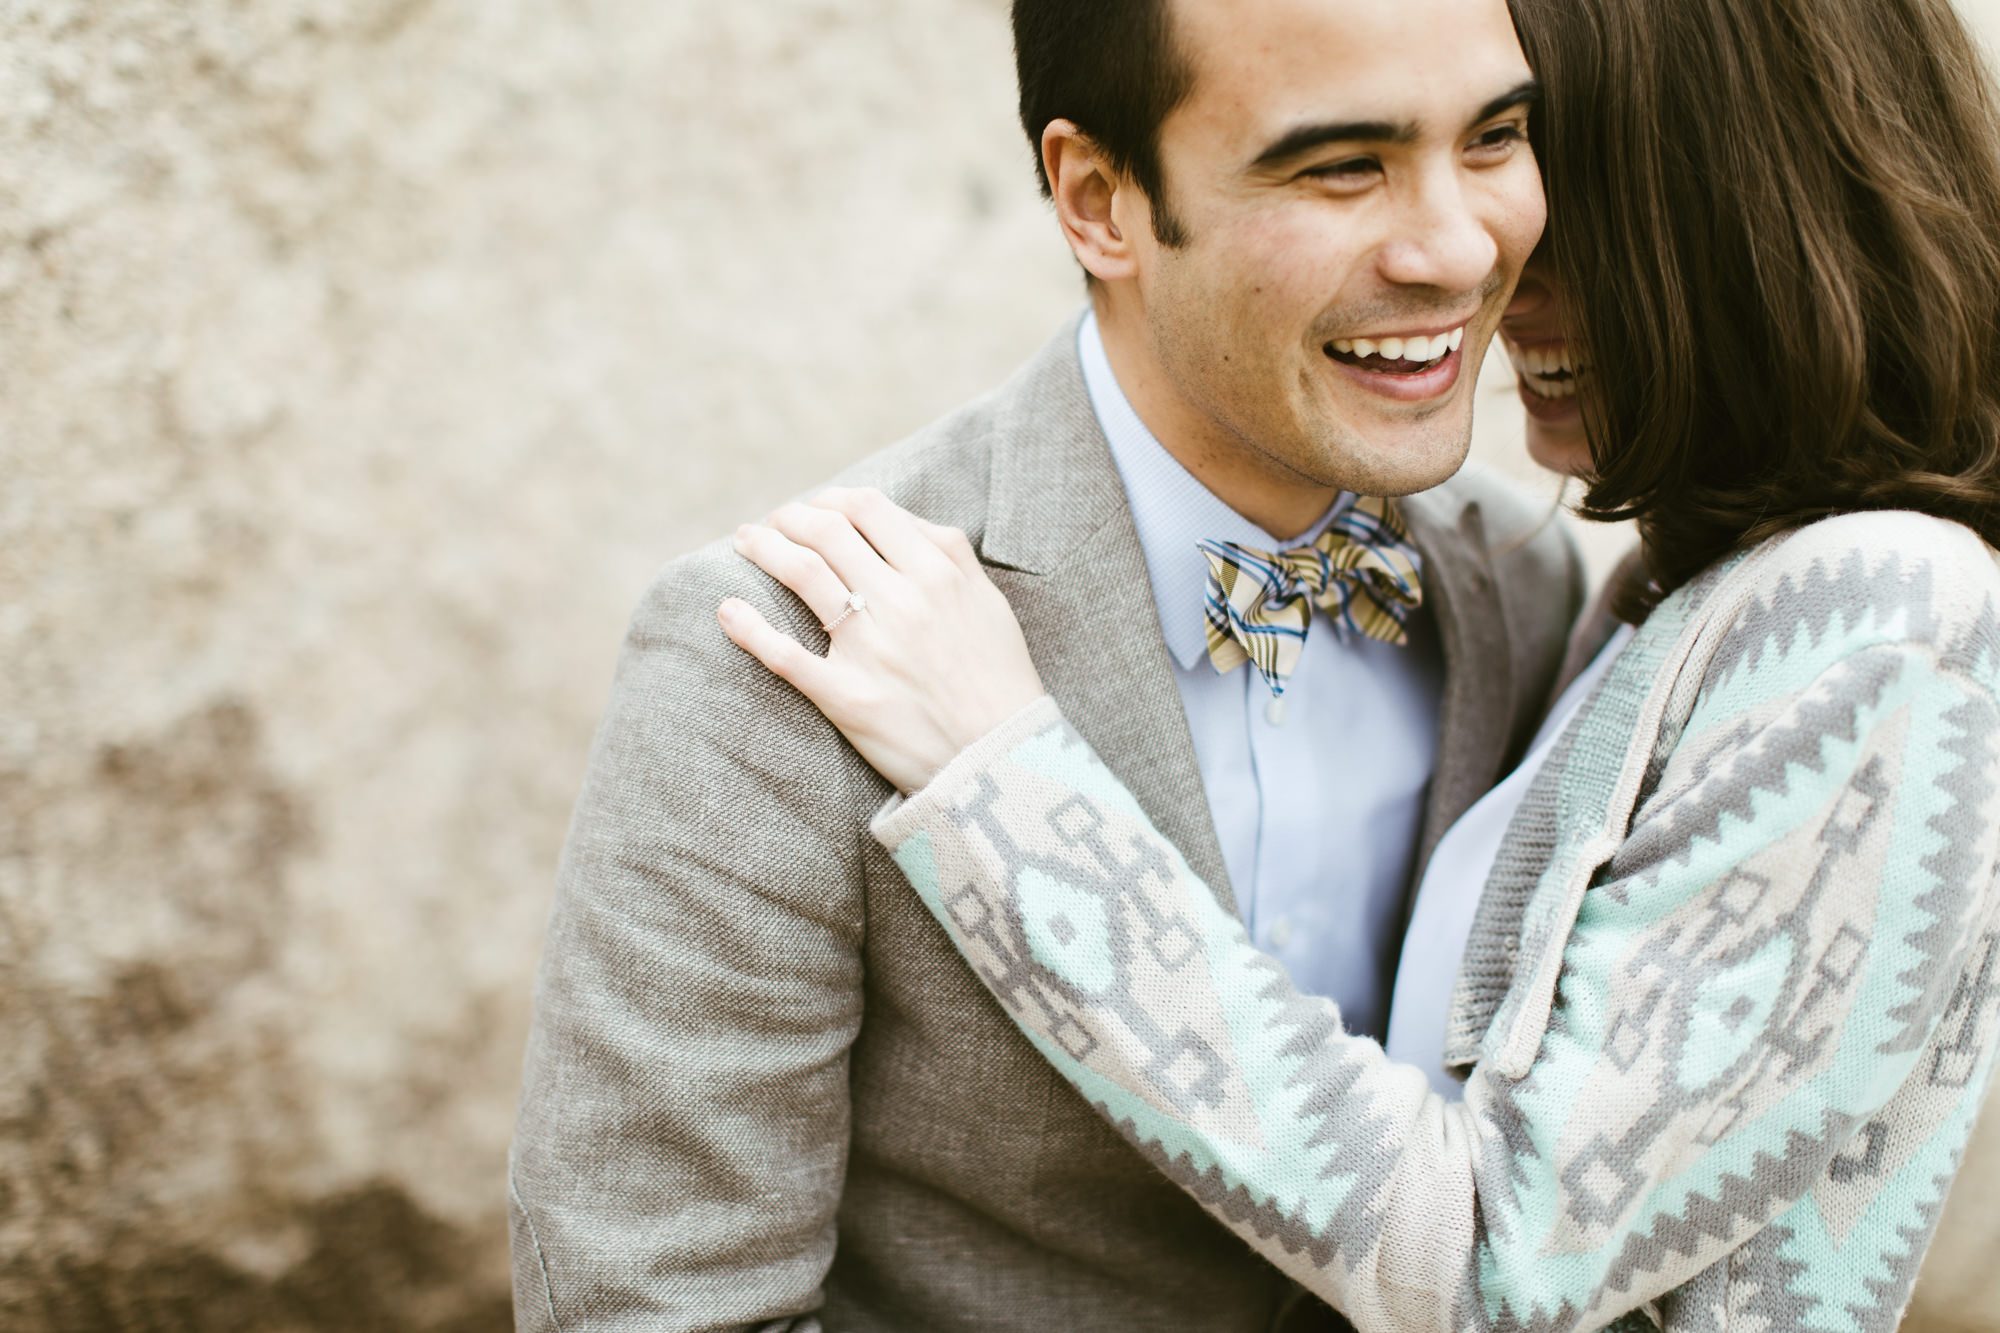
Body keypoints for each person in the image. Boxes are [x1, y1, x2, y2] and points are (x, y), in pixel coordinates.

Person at [718, 0, 2000, 1328]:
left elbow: (1507, 1260)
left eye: (1541, 171)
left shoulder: (1888, 617)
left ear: (1748, 221)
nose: (1489, 272)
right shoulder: (1651, 595)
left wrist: (1008, 785)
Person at [508, 0, 1581, 1327]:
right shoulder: (773, 654)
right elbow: (654, 1304)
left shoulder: (1522, 595)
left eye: (1496, 136)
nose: (1460, 246)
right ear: (1099, 200)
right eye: (1341, 165)